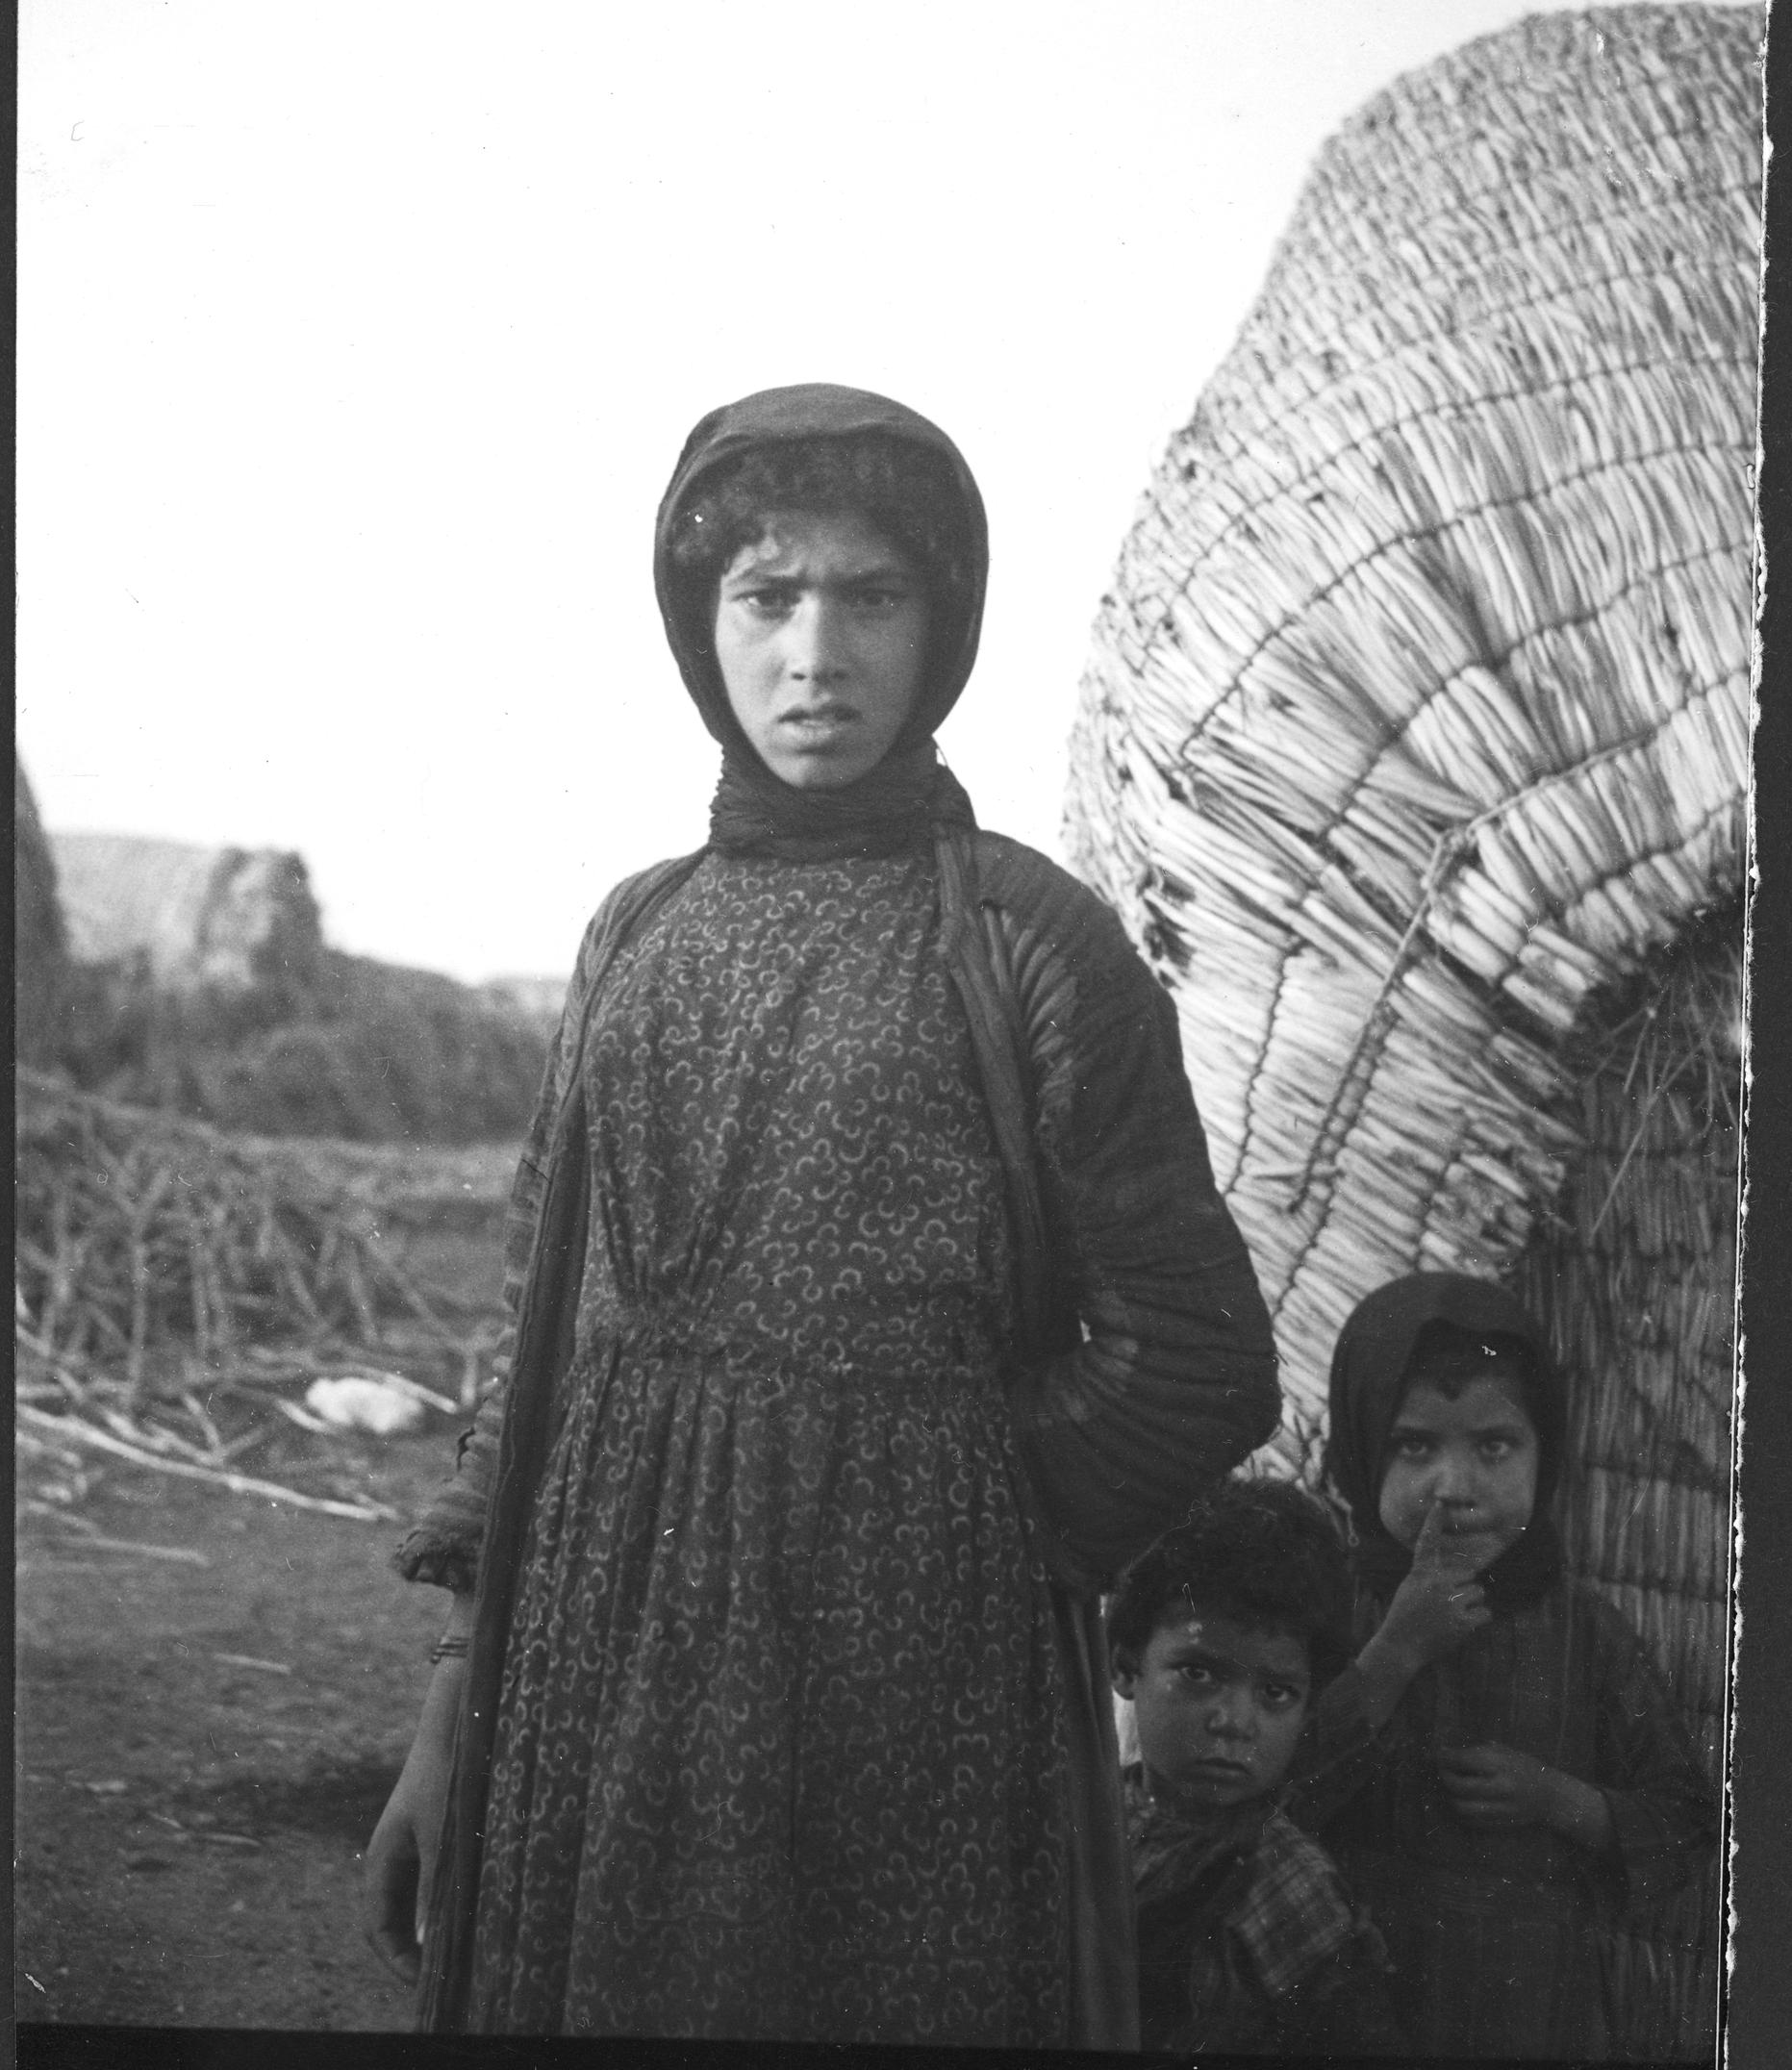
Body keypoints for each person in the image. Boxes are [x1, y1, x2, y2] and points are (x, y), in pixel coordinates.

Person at [361, 383, 1280, 2045]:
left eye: (872, 597)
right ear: (693, 621)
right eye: (765, 596)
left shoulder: (1026, 944)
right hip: (603, 1650)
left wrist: (951, 1520)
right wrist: (456, 1702)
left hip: (905, 1690)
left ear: (942, 626)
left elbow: (1199, 1354)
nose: (814, 653)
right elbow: (545, 1329)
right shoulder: (633, 937)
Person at [1290, 1270, 1717, 2058]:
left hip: (1525, 2016)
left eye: (1493, 1446)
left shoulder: (1585, 1633)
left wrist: (1559, 1800)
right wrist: (1394, 1652)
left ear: (1542, 1453)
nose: (1453, 1487)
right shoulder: (1320, 1610)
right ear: (1358, 1444)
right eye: (1413, 1446)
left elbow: (1687, 1823)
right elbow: (1261, 1801)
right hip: (1338, 2003)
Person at [1109, 1478, 1404, 2054]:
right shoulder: (1095, 1820)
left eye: (1275, 1692)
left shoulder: (1286, 1882)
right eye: (1198, 1673)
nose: (1235, 1721)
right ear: (1125, 1666)